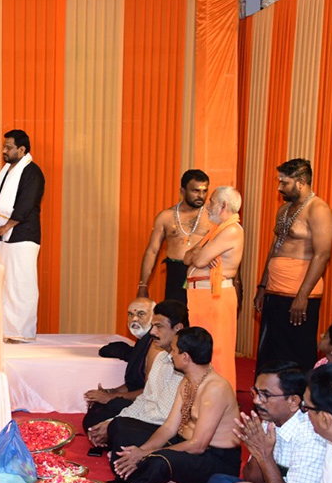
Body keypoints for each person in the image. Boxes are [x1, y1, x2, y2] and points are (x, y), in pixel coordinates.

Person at [111, 326, 242, 483]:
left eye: (174, 350)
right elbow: (168, 427)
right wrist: (143, 450)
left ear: (185, 357)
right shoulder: (187, 381)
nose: (170, 355)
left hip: (214, 458)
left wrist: (147, 454)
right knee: (122, 429)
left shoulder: (216, 388)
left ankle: (175, 481)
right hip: (184, 445)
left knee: (160, 461)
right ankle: (152, 473)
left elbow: (198, 445)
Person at [206, 360, 328, 483]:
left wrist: (264, 455)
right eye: (256, 392)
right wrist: (257, 451)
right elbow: (252, 481)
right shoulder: (268, 421)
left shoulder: (310, 437)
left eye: (266, 395)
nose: (256, 401)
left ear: (293, 401)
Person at [255, 158, 332, 372]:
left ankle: (298, 402)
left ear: (300, 182)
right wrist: (262, 287)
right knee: (270, 352)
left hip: (298, 295)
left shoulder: (318, 209)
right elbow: (275, 248)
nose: (280, 187)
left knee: (295, 355)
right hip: (275, 291)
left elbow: (322, 254)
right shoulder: (284, 210)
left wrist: (302, 296)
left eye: (285, 182)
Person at [90, 300, 189, 455]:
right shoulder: (162, 357)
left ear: (178, 328)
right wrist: (110, 421)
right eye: (153, 326)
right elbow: (145, 399)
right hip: (152, 420)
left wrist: (114, 424)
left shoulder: (184, 363)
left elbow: (163, 417)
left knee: (120, 428)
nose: (152, 332)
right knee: (103, 419)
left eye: (159, 326)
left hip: (171, 432)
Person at [183, 186, 243, 392]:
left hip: (215, 297)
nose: (207, 207)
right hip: (203, 297)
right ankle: (202, 399)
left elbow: (197, 258)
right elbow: (187, 257)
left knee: (217, 352)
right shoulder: (216, 231)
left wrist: (199, 255)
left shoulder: (232, 230)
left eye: (211, 203)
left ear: (223, 205)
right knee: (199, 351)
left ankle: (221, 404)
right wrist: (199, 254)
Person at [0, 129, 45, 343]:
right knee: (5, 285)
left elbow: (26, 204)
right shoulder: (6, 170)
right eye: (4, 147)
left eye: (9, 147)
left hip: (23, 235)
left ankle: (22, 333)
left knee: (22, 285)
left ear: (22, 149)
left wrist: (6, 227)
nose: (4, 151)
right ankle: (7, 331)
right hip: (4, 235)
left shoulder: (32, 172)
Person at [136, 169, 213, 305]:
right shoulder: (166, 216)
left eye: (204, 191)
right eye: (195, 191)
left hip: (203, 275)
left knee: (200, 323)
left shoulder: (212, 216)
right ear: (182, 191)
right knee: (174, 322)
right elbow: (152, 251)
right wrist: (143, 285)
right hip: (175, 275)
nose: (201, 195)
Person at [83, 297, 157, 434]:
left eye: (141, 314)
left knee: (99, 418)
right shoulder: (141, 342)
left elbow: (150, 392)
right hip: (135, 398)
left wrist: (111, 398)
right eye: (131, 314)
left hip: (148, 406)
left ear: (154, 317)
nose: (134, 319)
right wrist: (109, 392)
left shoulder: (156, 346)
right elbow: (132, 384)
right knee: (96, 410)